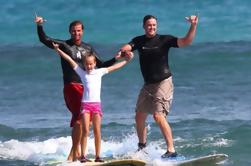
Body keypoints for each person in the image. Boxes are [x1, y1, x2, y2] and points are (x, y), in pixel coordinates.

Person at [34, 15, 122, 161]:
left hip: (85, 90)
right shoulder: (64, 45)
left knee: (82, 121)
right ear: (70, 32)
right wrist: (39, 25)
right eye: (74, 31)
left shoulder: (88, 48)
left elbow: (102, 64)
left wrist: (116, 58)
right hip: (71, 86)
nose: (77, 33)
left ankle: (73, 154)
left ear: (83, 31)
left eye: (79, 31)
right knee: (80, 121)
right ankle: (75, 154)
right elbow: (44, 39)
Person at [119, 14, 198, 158]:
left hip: (164, 82)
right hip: (148, 85)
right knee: (139, 115)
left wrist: (193, 25)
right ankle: (142, 147)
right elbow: (128, 46)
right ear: (144, 26)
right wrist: (123, 52)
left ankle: (171, 150)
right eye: (149, 25)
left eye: (154, 25)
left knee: (158, 115)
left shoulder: (164, 40)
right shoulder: (139, 40)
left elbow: (186, 41)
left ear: (157, 26)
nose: (152, 27)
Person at [52, 42, 133, 162]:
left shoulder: (99, 72)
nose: (89, 66)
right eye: (87, 64)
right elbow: (69, 59)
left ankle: (97, 156)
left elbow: (115, 67)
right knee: (85, 131)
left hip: (96, 106)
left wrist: (127, 60)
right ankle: (83, 156)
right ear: (84, 65)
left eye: (91, 64)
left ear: (95, 64)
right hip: (85, 106)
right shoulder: (82, 73)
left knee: (97, 132)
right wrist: (58, 51)